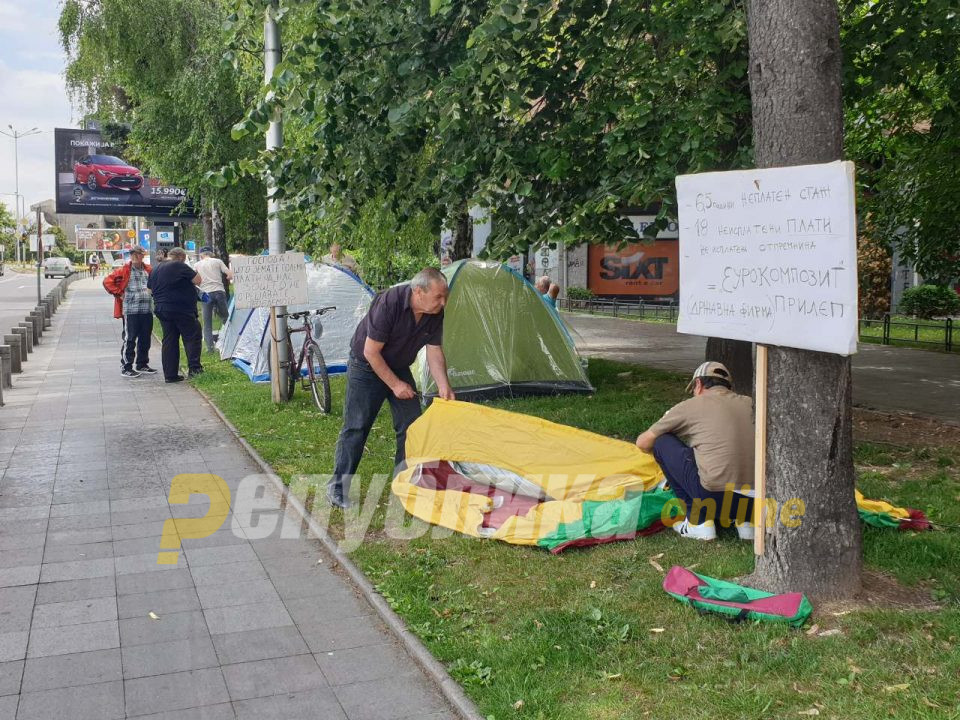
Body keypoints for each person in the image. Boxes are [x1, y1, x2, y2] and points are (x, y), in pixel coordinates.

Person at [327, 267, 455, 508]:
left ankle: (404, 485)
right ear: (418, 291)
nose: (443, 302)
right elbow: (371, 352)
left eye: (445, 296)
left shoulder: (435, 312)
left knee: (412, 425)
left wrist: (443, 386)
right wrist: (396, 385)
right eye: (438, 296)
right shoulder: (389, 302)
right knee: (356, 427)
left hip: (398, 365)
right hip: (366, 366)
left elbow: (434, 350)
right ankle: (337, 489)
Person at [635, 361, 755, 541]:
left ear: (698, 384)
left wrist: (667, 423)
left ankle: (698, 522)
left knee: (662, 443)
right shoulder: (751, 403)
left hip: (714, 499)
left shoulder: (691, 405)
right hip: (756, 503)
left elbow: (643, 443)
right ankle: (746, 524)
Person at [146, 247, 203, 383]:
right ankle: (195, 369)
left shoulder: (155, 269)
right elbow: (198, 280)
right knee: (192, 336)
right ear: (181, 257)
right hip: (181, 309)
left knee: (169, 341)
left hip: (162, 309)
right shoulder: (179, 265)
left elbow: (149, 290)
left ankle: (170, 375)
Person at [103, 246, 157, 378]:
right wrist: (119, 293)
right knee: (130, 338)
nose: (136, 257)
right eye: (134, 254)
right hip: (130, 310)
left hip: (146, 309)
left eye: (139, 254)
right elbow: (107, 282)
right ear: (131, 256)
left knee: (145, 338)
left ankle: (142, 364)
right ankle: (126, 366)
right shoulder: (124, 270)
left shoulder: (148, 269)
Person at [193, 247, 234, 353]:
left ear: (201, 255)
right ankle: (230, 342)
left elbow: (194, 280)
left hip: (206, 294)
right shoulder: (218, 261)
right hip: (219, 291)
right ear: (211, 254)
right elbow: (229, 274)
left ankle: (210, 348)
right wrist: (228, 279)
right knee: (225, 317)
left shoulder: (197, 265)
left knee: (207, 322)